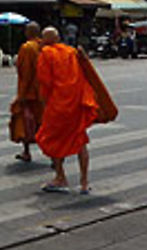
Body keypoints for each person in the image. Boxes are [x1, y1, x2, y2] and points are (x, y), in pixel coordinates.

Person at [35, 26, 100, 194]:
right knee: (80, 141)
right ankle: (84, 182)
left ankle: (60, 177)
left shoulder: (46, 54)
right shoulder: (71, 52)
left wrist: (43, 103)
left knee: (51, 139)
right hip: (76, 103)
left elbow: (45, 83)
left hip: (57, 105)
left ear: (44, 40)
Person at [10, 22, 44, 163]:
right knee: (43, 123)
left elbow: (26, 73)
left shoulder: (27, 47)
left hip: (29, 93)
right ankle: (55, 157)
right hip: (43, 92)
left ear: (27, 33)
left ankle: (27, 152)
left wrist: (21, 95)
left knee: (24, 123)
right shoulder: (44, 47)